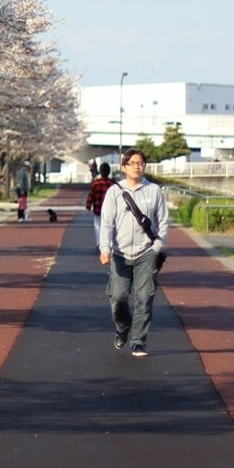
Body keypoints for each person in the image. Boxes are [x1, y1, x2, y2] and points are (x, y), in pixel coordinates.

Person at [98, 149, 169, 357]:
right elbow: (106, 224)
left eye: (141, 162)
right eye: (133, 163)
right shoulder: (114, 192)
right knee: (118, 298)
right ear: (124, 167)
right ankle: (122, 329)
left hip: (146, 252)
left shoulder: (154, 190)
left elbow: (163, 221)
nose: (137, 166)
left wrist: (157, 247)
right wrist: (105, 249)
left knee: (144, 297)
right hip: (119, 253)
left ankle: (138, 340)